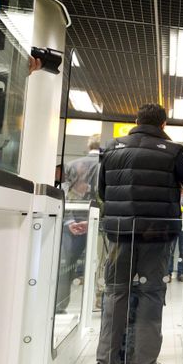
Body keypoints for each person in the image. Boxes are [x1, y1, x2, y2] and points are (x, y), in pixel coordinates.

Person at [94, 103, 183, 364]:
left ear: (136, 120)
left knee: (116, 293)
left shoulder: (112, 148)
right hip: (157, 233)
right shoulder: (172, 152)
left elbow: (102, 191)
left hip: (119, 233)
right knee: (151, 293)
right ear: (163, 125)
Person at [55, 134, 102, 313]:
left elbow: (64, 193)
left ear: (88, 145)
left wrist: (69, 221)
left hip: (72, 222)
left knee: (66, 265)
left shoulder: (71, 165)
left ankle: (60, 305)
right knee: (101, 264)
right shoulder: (106, 165)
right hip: (98, 222)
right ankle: (99, 301)